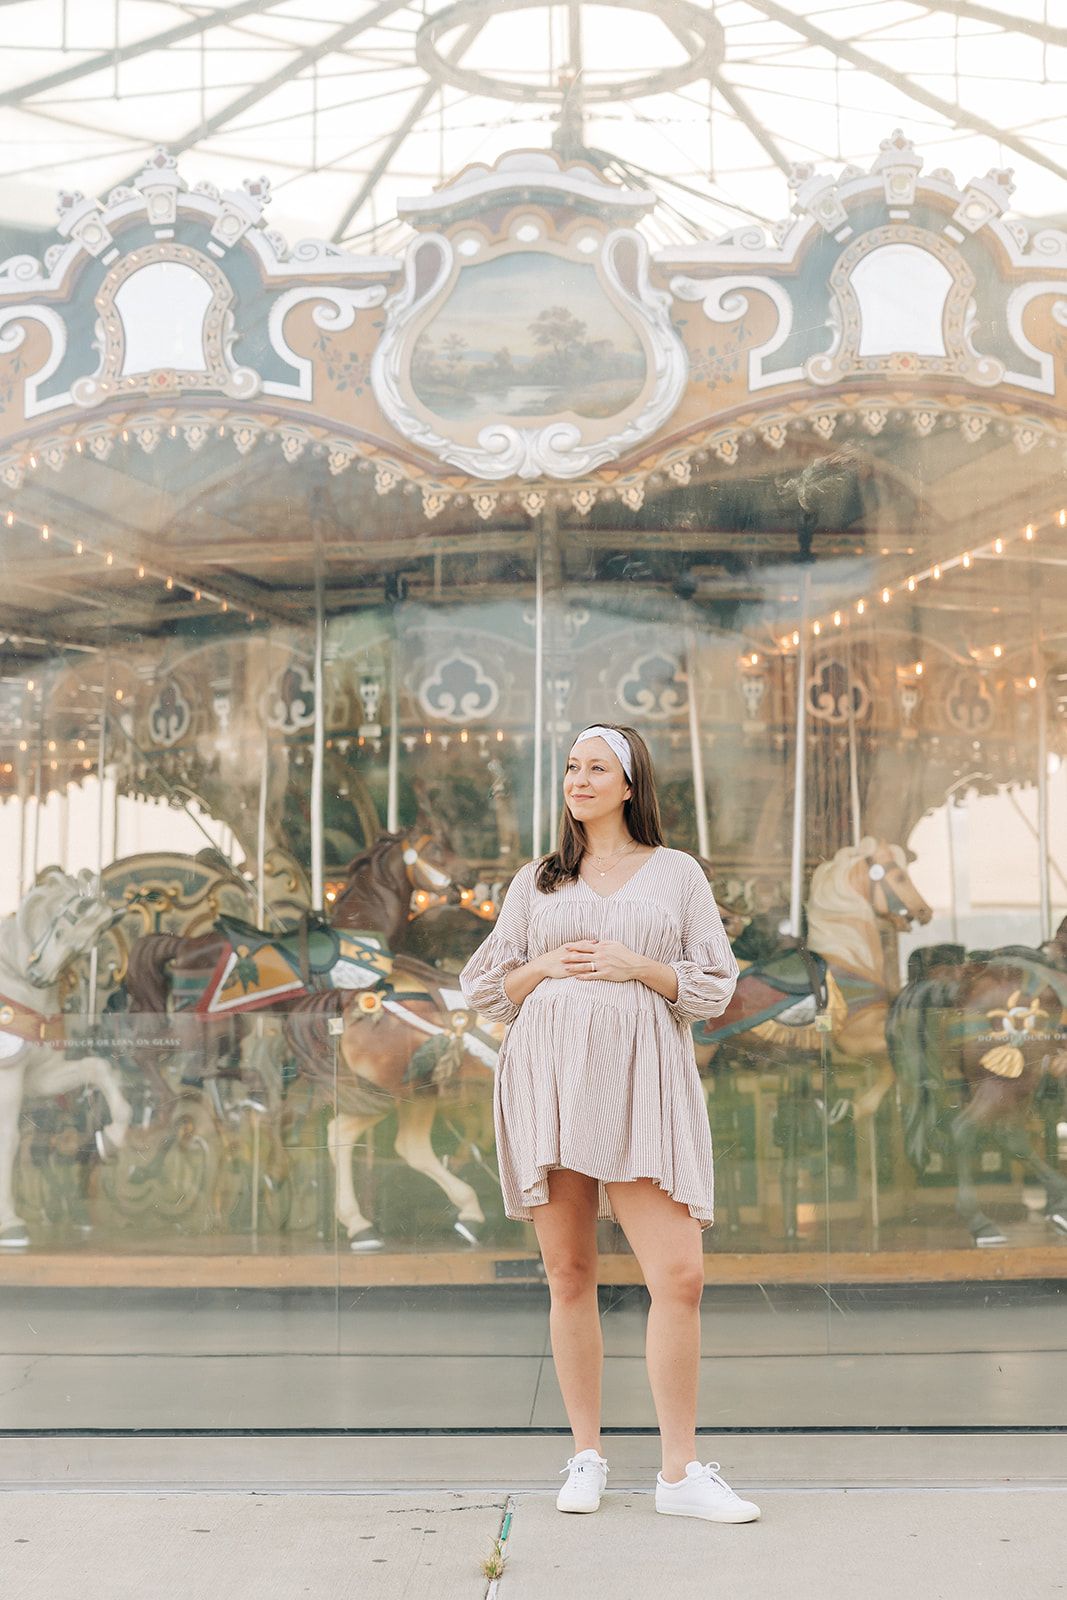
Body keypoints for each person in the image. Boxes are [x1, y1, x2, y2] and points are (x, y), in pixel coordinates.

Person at [458, 722, 760, 1524]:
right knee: (568, 1275)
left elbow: (714, 985)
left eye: (596, 767)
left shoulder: (676, 874)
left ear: (630, 786)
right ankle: (586, 1455)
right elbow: (486, 989)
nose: (578, 779)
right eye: (570, 767)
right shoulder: (538, 880)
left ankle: (678, 1472)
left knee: (680, 1278)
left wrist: (639, 968)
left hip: (640, 1085)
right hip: (548, 1078)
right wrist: (543, 966)